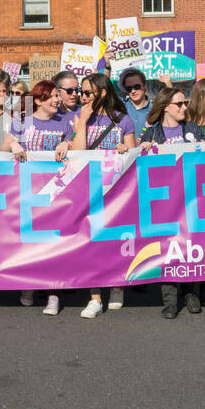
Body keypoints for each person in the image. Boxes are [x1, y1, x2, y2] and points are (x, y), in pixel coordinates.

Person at [5, 81, 75, 316]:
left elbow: (79, 149)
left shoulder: (65, 122)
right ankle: (29, 286)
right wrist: (13, 144)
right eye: (53, 97)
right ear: (37, 100)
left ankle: (53, 295)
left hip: (56, 192)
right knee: (29, 243)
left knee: (53, 244)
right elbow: (3, 146)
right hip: (26, 192)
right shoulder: (22, 122)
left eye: (58, 96)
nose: (57, 100)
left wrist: (68, 142)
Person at [72, 72, 136, 318]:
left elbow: (132, 155)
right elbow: (78, 152)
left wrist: (123, 149)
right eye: (81, 92)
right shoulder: (82, 116)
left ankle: (117, 284)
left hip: (117, 189)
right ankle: (96, 298)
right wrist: (84, 122)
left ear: (102, 93)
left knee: (115, 239)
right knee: (91, 241)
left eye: (87, 92)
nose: (83, 96)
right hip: (90, 188)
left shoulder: (123, 119)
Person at [140, 87, 205, 318]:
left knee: (190, 247)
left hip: (190, 199)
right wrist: (142, 151)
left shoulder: (192, 129)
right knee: (167, 250)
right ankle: (170, 301)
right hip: (164, 203)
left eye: (185, 103)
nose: (184, 107)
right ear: (165, 106)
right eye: (179, 104)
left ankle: (191, 293)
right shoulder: (151, 134)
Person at [118, 68, 152, 135]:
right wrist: (108, 67)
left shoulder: (154, 109)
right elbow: (105, 92)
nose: (133, 91)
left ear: (144, 86)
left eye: (137, 86)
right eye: (129, 88)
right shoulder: (120, 105)